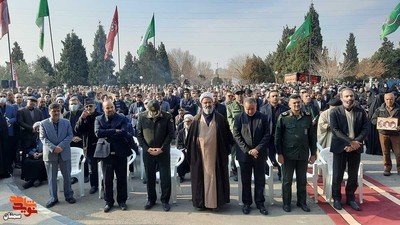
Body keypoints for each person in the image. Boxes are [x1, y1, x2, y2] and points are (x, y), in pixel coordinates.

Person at [186, 92, 232, 211]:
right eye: (205, 103)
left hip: (216, 156)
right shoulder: (196, 120)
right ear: (201, 104)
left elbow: (227, 137)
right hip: (200, 156)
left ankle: (217, 202)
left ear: (213, 103)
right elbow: (189, 141)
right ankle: (200, 203)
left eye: (209, 102)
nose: (207, 105)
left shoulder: (220, 119)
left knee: (216, 177)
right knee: (200, 178)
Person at [275, 94, 317, 213]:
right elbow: (277, 137)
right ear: (289, 104)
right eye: (294, 103)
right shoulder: (284, 117)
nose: (297, 105)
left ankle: (302, 202)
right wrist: (279, 153)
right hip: (288, 154)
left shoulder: (307, 117)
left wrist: (313, 153)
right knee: (287, 180)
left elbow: (312, 137)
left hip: (303, 154)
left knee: (302, 180)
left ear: (301, 103)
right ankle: (286, 203)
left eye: (299, 102)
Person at [330, 88, 368, 211]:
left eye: (351, 96)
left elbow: (365, 129)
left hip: (355, 148)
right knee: (337, 176)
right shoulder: (335, 112)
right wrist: (350, 142)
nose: (349, 98)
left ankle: (350, 198)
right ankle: (336, 198)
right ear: (341, 98)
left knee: (353, 175)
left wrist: (355, 143)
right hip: (341, 147)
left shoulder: (361, 111)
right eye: (346, 96)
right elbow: (335, 131)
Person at [233, 97, 270, 215]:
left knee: (260, 180)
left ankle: (260, 202)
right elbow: (236, 134)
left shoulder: (263, 117)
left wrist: (257, 149)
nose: (250, 111)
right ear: (244, 107)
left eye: (252, 109)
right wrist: (248, 150)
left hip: (260, 154)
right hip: (245, 155)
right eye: (248, 109)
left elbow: (267, 134)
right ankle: (247, 203)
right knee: (246, 180)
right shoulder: (239, 117)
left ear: (256, 107)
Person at [94, 100, 132, 212]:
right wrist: (115, 131)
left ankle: (122, 201)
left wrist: (107, 134)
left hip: (121, 152)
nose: (110, 109)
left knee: (121, 179)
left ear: (114, 107)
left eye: (111, 107)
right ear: (103, 109)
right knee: (107, 180)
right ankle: (108, 202)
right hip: (105, 153)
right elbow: (98, 133)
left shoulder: (122, 118)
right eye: (107, 108)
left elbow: (124, 132)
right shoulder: (98, 119)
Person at [137, 100, 174, 212]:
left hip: (163, 151)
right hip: (148, 152)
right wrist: (147, 148)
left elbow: (170, 134)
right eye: (151, 112)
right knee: (150, 177)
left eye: (156, 112)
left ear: (160, 109)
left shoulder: (167, 116)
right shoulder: (142, 116)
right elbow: (139, 135)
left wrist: (162, 148)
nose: (154, 115)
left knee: (165, 176)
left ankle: (165, 200)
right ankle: (151, 199)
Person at [40, 103, 76, 208]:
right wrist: (54, 148)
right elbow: (43, 138)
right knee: (52, 177)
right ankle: (53, 198)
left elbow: (70, 135)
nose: (56, 113)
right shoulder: (43, 123)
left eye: (58, 111)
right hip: (51, 154)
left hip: (64, 152)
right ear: (49, 111)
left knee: (67, 176)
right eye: (54, 111)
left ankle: (69, 195)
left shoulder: (66, 122)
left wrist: (61, 146)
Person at [260, 90, 289, 180]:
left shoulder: (284, 109)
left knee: (281, 156)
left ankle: (281, 174)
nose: (275, 97)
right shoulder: (263, 109)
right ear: (268, 98)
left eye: (276, 96)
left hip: (281, 137)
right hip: (268, 137)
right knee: (268, 157)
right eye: (273, 96)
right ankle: (267, 175)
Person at [75, 98, 102, 194]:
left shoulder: (100, 115)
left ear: (95, 106)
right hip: (88, 146)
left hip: (100, 145)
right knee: (92, 169)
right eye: (86, 106)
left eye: (90, 106)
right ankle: (94, 185)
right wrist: (82, 118)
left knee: (102, 167)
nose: (88, 108)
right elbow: (77, 130)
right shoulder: (82, 116)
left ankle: (103, 184)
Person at [371, 93, 400, 176]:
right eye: (387, 99)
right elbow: (373, 120)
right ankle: (387, 168)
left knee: (398, 153)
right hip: (383, 134)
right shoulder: (379, 109)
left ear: (394, 99)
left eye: (391, 99)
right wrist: (382, 122)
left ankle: (399, 168)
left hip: (396, 134)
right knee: (385, 152)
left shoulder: (399, 109)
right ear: (384, 100)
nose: (389, 101)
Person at [21, 122, 47, 189]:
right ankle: (31, 179)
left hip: (44, 154)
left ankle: (38, 179)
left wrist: (41, 154)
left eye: (39, 128)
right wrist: (33, 154)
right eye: (36, 129)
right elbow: (29, 147)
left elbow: (49, 148)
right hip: (36, 154)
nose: (37, 130)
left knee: (39, 162)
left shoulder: (47, 136)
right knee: (27, 161)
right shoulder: (34, 136)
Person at [227, 89, 244, 181]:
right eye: (238, 94)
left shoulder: (246, 104)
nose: (240, 96)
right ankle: (235, 172)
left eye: (241, 94)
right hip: (235, 132)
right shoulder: (231, 106)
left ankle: (243, 170)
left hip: (246, 132)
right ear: (235, 96)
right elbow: (229, 119)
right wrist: (235, 129)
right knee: (234, 153)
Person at [176, 114, 193, 183]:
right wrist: (183, 149)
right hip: (184, 151)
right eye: (185, 121)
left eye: (188, 121)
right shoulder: (181, 132)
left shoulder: (196, 131)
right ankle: (181, 176)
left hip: (194, 151)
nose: (187, 123)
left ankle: (195, 176)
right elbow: (178, 144)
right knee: (181, 158)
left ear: (192, 122)